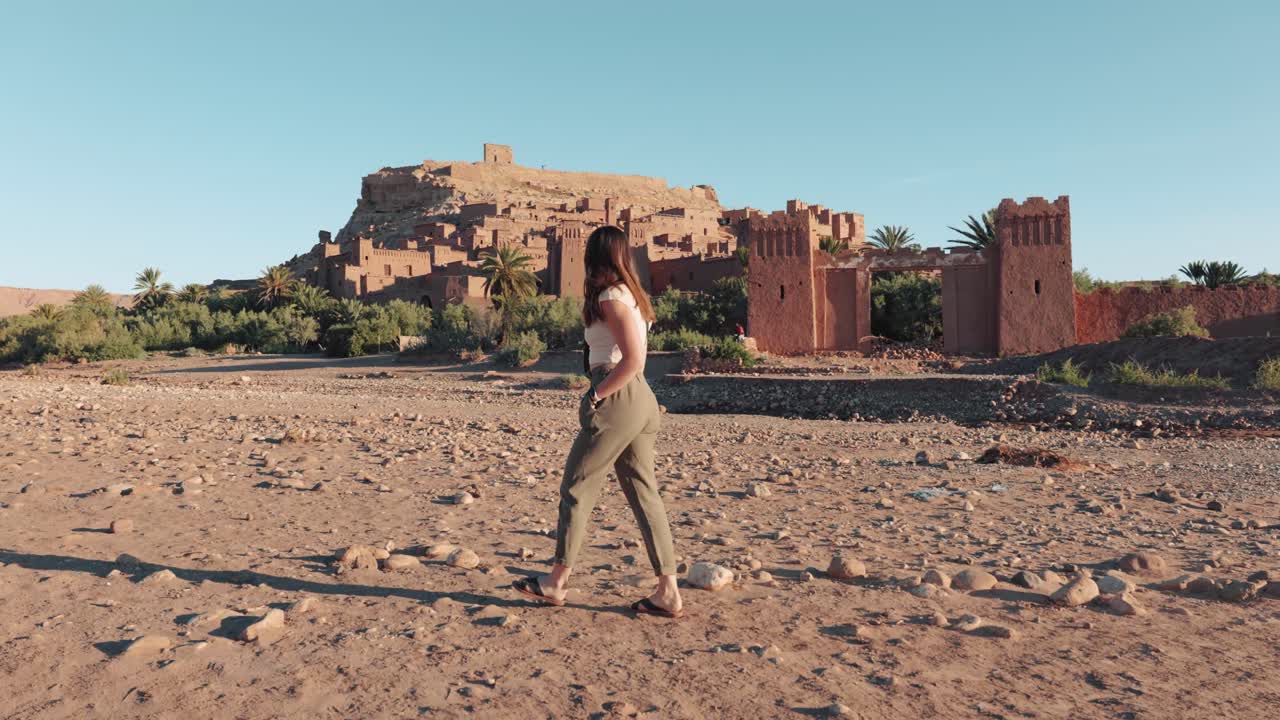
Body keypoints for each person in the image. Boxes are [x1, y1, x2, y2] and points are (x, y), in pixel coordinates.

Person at [513, 225, 684, 619]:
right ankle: (668, 592)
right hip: (640, 400)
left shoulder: (611, 297)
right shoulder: (632, 297)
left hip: (619, 393)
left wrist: (596, 395)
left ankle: (556, 582)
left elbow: (633, 360)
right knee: (645, 494)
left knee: (577, 485)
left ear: (596, 257)